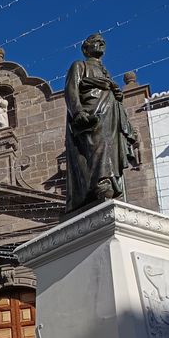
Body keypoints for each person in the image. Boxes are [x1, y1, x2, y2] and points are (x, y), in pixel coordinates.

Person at [64, 33, 140, 213]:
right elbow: (71, 89)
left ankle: (110, 183)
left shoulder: (105, 71)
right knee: (98, 145)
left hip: (110, 114)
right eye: (95, 42)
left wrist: (117, 95)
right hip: (92, 113)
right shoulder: (79, 65)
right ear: (85, 48)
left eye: (102, 42)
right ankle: (101, 182)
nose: (100, 44)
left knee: (111, 148)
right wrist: (78, 111)